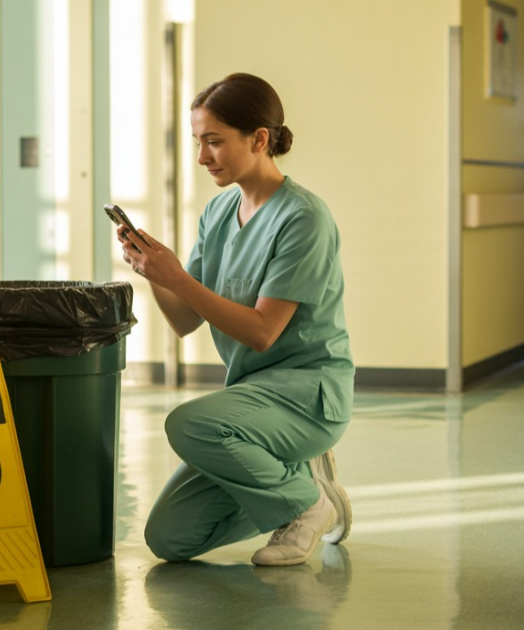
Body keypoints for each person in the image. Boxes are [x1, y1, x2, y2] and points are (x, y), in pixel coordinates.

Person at [117, 73, 354, 567]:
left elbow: (263, 332)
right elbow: (185, 320)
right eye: (199, 142)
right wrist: (153, 271)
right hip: (251, 399)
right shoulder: (219, 212)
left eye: (214, 141)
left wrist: (178, 277)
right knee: (170, 539)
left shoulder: (303, 218)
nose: (203, 156)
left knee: (188, 424)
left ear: (259, 139)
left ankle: (308, 505)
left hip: (308, 396)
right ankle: (299, 484)